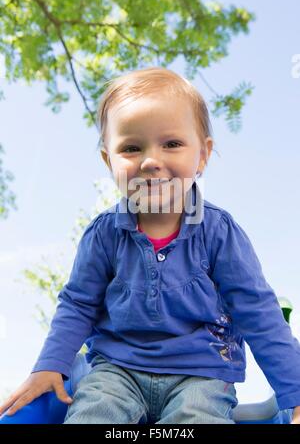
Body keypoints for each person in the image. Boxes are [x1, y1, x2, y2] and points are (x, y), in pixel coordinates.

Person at [1, 67, 300, 424]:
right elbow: (78, 304)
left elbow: (260, 314)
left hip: (201, 373)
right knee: (94, 413)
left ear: (202, 155)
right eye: (131, 148)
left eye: (171, 143)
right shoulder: (104, 235)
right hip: (117, 371)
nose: (150, 160)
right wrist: (50, 365)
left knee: (196, 417)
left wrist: (295, 393)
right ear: (108, 160)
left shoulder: (219, 232)